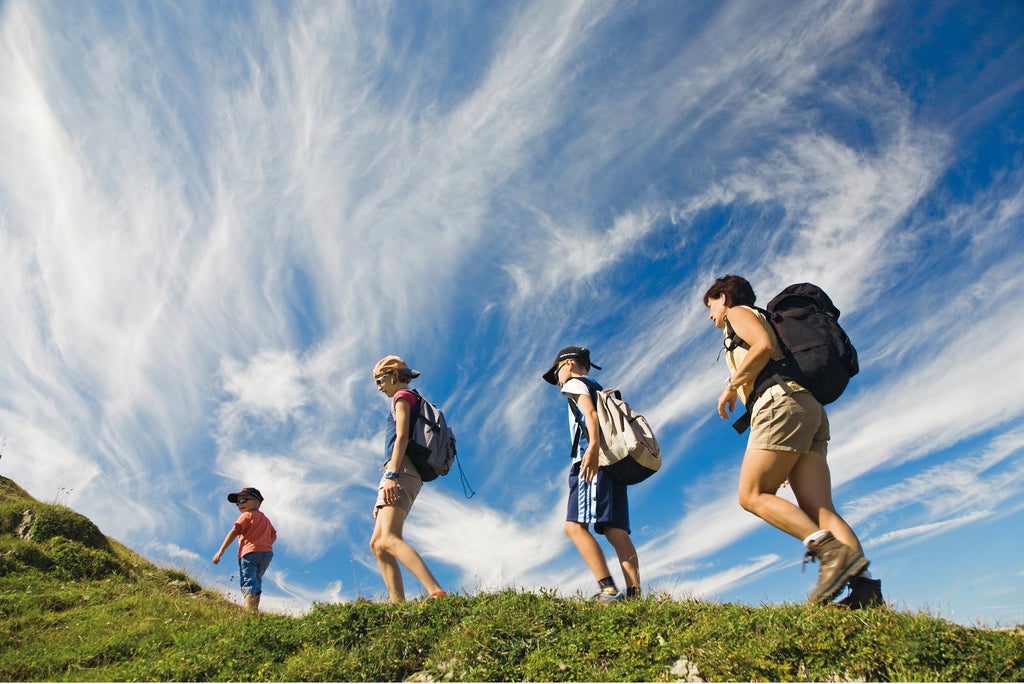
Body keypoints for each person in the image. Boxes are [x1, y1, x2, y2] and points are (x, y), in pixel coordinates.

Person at [702, 275, 883, 608]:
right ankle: (866, 591)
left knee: (752, 494)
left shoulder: (737, 313)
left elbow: (763, 346)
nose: (710, 314)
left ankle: (829, 552)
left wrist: (732, 384)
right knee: (820, 507)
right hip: (807, 408)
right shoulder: (758, 315)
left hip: (779, 402)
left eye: (710, 304)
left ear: (722, 297)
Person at [543, 346, 641, 603]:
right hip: (614, 461)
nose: (557, 380)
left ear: (570, 363)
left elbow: (590, 414)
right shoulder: (596, 385)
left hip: (591, 459)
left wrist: (593, 447)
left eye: (556, 372)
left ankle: (608, 590)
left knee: (574, 527)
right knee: (615, 530)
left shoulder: (575, 384)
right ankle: (634, 595)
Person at [370, 355, 447, 602]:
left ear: (393, 376)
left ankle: (436, 592)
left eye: (380, 380)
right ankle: (397, 605)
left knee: (390, 539)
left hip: (400, 469)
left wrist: (392, 475)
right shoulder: (408, 397)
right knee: (377, 544)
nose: (379, 386)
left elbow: (402, 437)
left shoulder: (401, 397)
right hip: (398, 471)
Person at [212, 486, 277, 613]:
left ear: (257, 502)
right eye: (237, 503)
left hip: (249, 553)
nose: (239, 504)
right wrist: (265, 544)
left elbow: (235, 531)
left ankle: (249, 611)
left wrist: (221, 551)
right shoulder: (266, 520)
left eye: (243, 500)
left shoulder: (246, 515)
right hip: (266, 554)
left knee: (248, 579)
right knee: (257, 579)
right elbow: (274, 535)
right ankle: (254, 610)